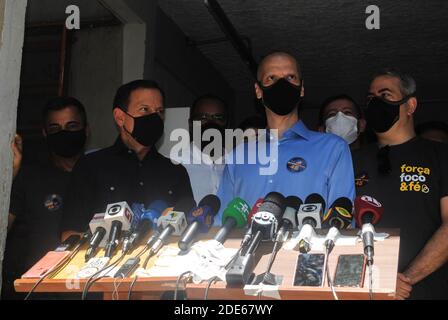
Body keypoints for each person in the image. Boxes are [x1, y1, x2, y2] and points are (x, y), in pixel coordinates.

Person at [217, 51, 355, 222]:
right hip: (244, 248)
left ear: (301, 88)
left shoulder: (333, 148)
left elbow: (342, 219)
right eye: (271, 78)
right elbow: (220, 221)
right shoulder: (238, 155)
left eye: (290, 77)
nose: (282, 84)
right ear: (258, 90)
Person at [352, 68, 448, 299]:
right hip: (363, 287)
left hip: (423, 289)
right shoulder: (350, 159)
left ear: (411, 105)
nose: (376, 102)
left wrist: (407, 278)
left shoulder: (440, 155)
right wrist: (376, 277)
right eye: (371, 98)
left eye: (385, 95)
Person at [60, 80, 194, 239]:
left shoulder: (175, 172)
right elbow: (70, 233)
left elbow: (188, 231)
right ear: (120, 117)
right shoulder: (91, 167)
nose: (154, 117)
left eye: (159, 111)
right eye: (144, 109)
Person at [2, 97, 90, 300]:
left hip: (87, 289)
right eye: (55, 129)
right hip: (35, 292)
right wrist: (9, 174)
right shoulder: (28, 177)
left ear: (86, 129)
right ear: (45, 133)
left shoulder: (101, 176)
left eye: (72, 126)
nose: (64, 134)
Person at [178, 94, 229, 203]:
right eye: (203, 118)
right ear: (191, 124)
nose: (211, 123)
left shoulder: (235, 163)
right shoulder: (176, 162)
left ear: (226, 124)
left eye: (218, 117)